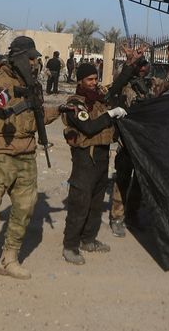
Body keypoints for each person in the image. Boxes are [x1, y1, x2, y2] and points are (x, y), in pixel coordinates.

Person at [0, 36, 66, 292]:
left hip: (26, 154)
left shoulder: (32, 85)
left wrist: (61, 111)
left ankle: (9, 259)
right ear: (19, 57)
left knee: (25, 208)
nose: (35, 63)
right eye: (31, 58)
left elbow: (38, 115)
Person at [108, 44, 169, 238]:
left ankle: (133, 215)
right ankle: (117, 217)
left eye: (144, 64)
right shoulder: (123, 84)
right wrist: (130, 61)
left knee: (140, 181)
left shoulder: (151, 85)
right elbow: (117, 82)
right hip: (126, 141)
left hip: (144, 143)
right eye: (139, 65)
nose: (142, 67)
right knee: (122, 179)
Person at [60, 63, 127, 265]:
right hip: (85, 158)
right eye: (89, 79)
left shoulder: (98, 100)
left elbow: (117, 86)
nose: (94, 82)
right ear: (80, 81)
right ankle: (70, 246)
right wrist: (111, 114)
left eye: (95, 78)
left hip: (101, 156)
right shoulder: (75, 104)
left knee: (96, 202)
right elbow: (89, 127)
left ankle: (88, 239)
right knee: (80, 203)